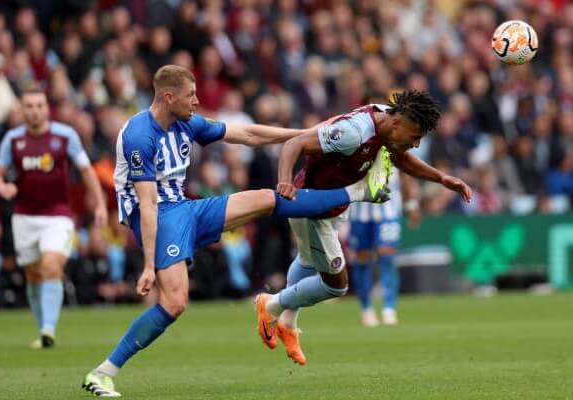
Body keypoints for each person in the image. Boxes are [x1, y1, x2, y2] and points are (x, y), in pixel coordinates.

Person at [81, 65, 390, 397]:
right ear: (168, 97)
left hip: (185, 208)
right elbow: (148, 205)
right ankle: (102, 373)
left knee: (266, 199)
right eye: (190, 95)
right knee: (174, 303)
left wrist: (306, 133)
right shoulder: (140, 136)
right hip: (157, 216)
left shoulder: (186, 123)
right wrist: (146, 266)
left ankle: (358, 194)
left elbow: (247, 135)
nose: (197, 101)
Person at [255, 90, 472, 365]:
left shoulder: (387, 120)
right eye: (415, 136)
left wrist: (442, 178)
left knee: (307, 259)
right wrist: (284, 181)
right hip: (312, 205)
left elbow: (400, 157)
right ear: (397, 123)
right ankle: (271, 304)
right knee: (336, 286)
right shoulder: (354, 133)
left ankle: (287, 321)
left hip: (330, 205)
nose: (416, 144)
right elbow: (294, 144)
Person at [0, 82, 107, 348]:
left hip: (58, 215)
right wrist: (2, 186)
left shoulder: (65, 136)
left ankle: (48, 330)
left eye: (39, 106)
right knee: (33, 274)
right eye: (29, 106)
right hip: (24, 217)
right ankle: (42, 326)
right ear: (22, 109)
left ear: (47, 108)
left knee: (51, 265)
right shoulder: (13, 140)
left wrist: (99, 205)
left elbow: (88, 172)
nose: (34, 111)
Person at [348, 171, 421, 327]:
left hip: (388, 210)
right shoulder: (354, 146)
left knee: (387, 257)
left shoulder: (393, 147)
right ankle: (366, 309)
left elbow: (405, 174)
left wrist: (412, 205)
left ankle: (389, 309)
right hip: (360, 211)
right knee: (362, 259)